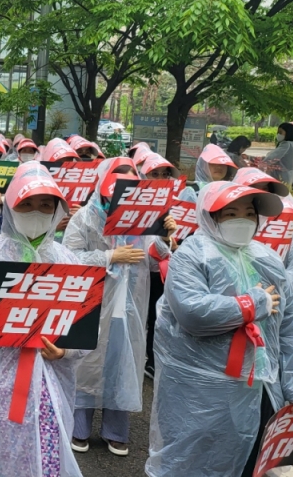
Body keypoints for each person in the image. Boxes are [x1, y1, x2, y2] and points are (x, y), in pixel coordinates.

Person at [146, 181, 293, 476]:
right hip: (200, 389)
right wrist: (251, 304)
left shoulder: (267, 258)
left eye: (249, 213)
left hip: (258, 387)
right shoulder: (192, 255)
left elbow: (288, 328)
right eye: (230, 213)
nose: (242, 220)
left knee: (246, 460)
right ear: (211, 216)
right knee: (192, 459)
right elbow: (193, 312)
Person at [0, 162, 87, 476]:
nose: (36, 211)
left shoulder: (68, 260)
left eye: (45, 205)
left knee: (47, 454)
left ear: (58, 210)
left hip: (51, 382)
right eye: (26, 204)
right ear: (11, 208)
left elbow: (83, 325)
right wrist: (15, 312)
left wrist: (66, 350)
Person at [63, 157, 176, 456]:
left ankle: (116, 429)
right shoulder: (85, 219)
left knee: (123, 363)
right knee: (86, 362)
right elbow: (68, 259)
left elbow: (154, 260)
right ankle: (79, 426)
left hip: (128, 306)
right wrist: (110, 257)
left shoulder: (143, 220)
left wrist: (166, 237)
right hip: (92, 302)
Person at [264, 122, 293, 187]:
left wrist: (256, 162)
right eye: (278, 132)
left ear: (288, 133)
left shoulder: (286, 145)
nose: (278, 134)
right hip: (286, 179)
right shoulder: (292, 145)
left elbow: (271, 158)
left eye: (280, 132)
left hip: (280, 179)